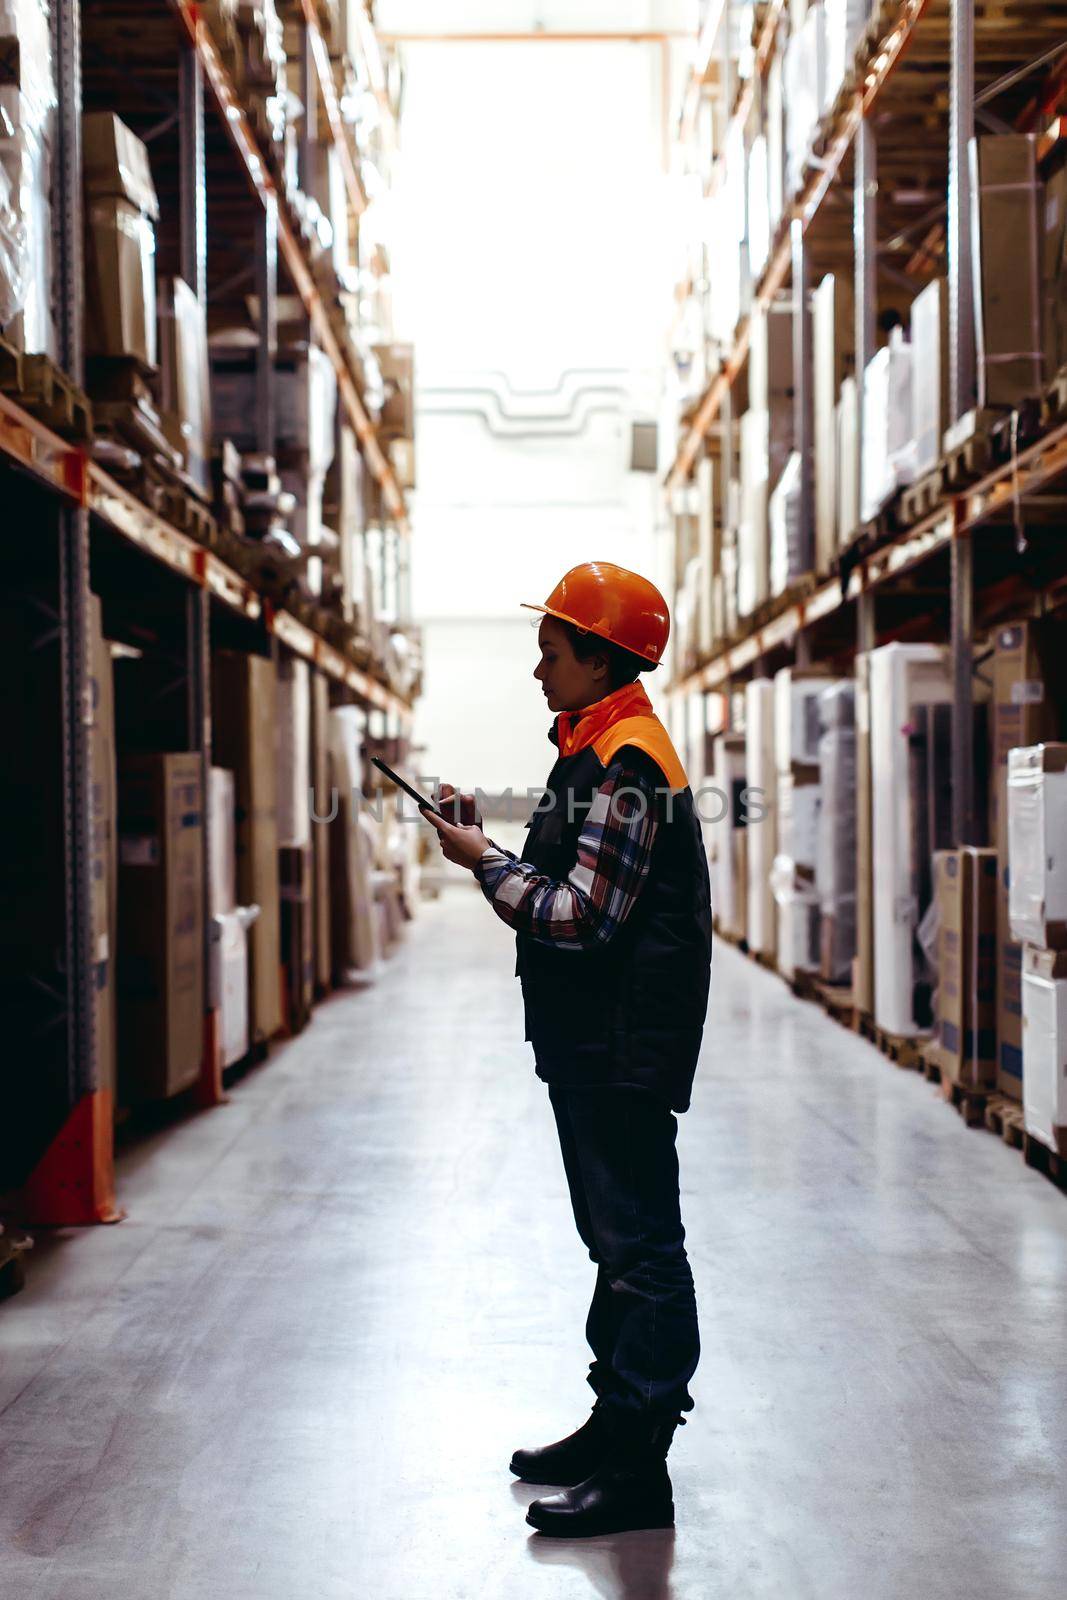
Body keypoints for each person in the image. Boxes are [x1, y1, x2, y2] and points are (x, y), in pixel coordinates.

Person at [424, 560, 713, 1539]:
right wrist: (487, 842)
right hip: (590, 1038)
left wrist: (482, 865)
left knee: (638, 1247)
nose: (535, 668)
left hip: (620, 1043)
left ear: (598, 657)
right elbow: (566, 874)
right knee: (612, 1244)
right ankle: (611, 1421)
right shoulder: (591, 748)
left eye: (550, 651)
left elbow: (581, 918)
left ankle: (640, 1463)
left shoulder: (628, 764)